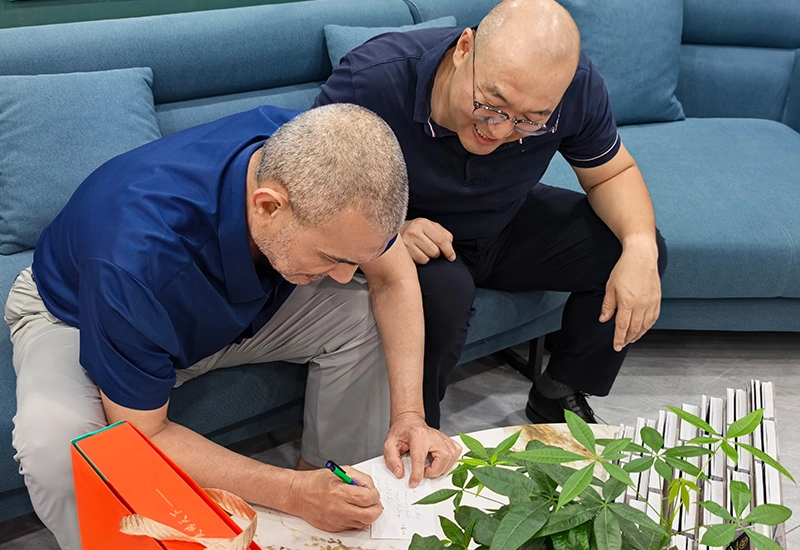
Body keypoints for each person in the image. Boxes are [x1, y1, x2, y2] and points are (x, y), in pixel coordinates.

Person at [5, 103, 461, 550]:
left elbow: (393, 275)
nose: (345, 275)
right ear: (267, 206)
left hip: (214, 311)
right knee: (60, 454)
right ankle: (304, 493)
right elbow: (144, 431)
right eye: (331, 259)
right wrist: (288, 493)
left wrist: (409, 417)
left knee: (363, 317)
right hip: (77, 316)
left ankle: (329, 500)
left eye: (353, 260)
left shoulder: (310, 157)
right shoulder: (134, 258)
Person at [314, 0, 668, 429]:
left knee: (633, 248)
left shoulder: (576, 86)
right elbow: (315, 193)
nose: (498, 130)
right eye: (491, 104)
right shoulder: (369, 81)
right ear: (465, 49)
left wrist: (640, 249)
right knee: (440, 295)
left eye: (530, 121)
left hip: (504, 220)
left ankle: (559, 393)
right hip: (414, 237)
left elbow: (612, 174)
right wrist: (390, 231)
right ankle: (416, 432)